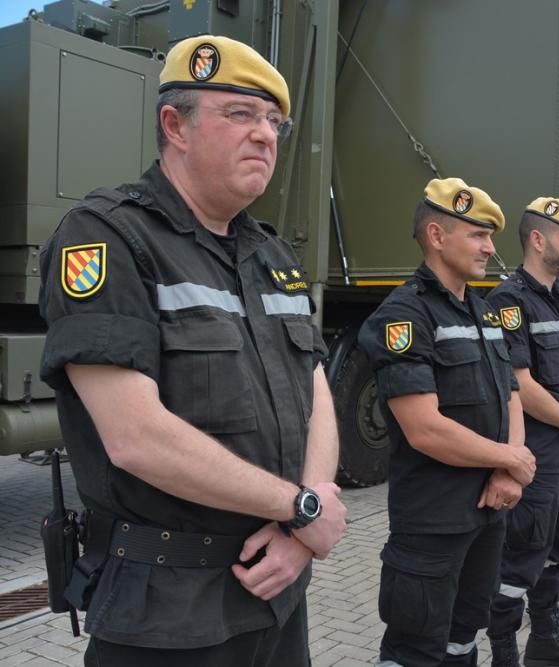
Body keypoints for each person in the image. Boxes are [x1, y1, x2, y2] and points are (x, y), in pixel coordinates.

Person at [37, 36, 347, 666]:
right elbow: (135, 437)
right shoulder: (109, 236)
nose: (265, 136)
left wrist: (302, 529)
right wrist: (303, 507)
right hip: (169, 614)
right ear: (175, 125)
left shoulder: (272, 254)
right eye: (240, 115)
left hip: (278, 594)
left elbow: (314, 388)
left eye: (273, 121)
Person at [359, 178, 535, 667]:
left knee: (463, 637)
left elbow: (511, 394)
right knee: (414, 648)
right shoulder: (403, 316)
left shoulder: (484, 312)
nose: (490, 247)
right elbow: (424, 428)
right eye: (478, 235)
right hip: (433, 521)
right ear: (437, 236)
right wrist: (512, 458)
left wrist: (508, 469)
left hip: (488, 508)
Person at [485, 198, 559, 667]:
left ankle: (546, 639)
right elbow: (521, 385)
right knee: (520, 557)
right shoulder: (508, 301)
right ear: (538, 240)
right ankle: (504, 654)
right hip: (538, 454)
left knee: (558, 548)